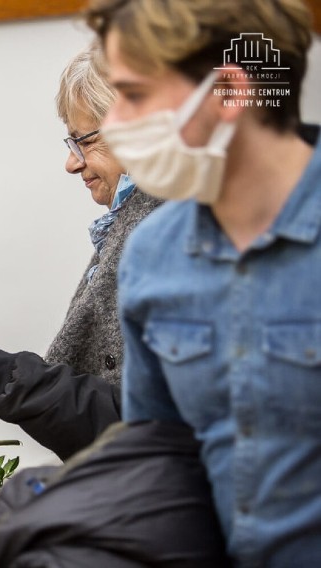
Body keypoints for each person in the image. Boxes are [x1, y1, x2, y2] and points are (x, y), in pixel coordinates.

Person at [85, 0, 320, 565]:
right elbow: (159, 462)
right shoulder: (153, 254)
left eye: (134, 95)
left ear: (232, 91)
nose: (114, 126)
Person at [0, 44, 161, 460]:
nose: (72, 163)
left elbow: (143, 427)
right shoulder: (138, 222)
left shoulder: (165, 234)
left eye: (84, 141)